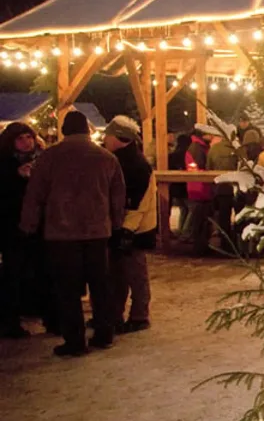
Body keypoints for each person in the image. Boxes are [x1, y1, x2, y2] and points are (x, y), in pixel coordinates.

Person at [19, 110, 125, 357]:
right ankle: (104, 334)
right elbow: (117, 197)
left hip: (61, 232)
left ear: (64, 131)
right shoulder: (107, 158)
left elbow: (34, 195)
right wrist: (116, 224)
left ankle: (75, 341)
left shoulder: (49, 157)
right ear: (88, 131)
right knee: (100, 285)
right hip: (98, 231)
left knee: (67, 289)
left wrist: (28, 226)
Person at [102, 116, 157, 334]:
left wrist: (127, 228)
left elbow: (139, 201)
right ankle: (115, 314)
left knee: (134, 273)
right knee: (118, 273)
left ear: (118, 138)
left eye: (108, 135)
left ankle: (139, 315)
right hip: (126, 226)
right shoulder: (124, 160)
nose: (105, 139)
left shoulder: (134, 164)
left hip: (134, 228)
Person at [0, 122, 40, 338]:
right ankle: (10, 320)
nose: (27, 142)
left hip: (37, 226)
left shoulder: (40, 159)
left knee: (38, 269)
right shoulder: (5, 164)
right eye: (21, 139)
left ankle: (34, 308)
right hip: (11, 228)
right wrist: (18, 178)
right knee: (13, 272)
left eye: (29, 137)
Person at [185, 127, 216, 255]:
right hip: (200, 189)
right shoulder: (197, 149)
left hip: (198, 188)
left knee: (201, 219)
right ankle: (199, 247)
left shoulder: (198, 147)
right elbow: (203, 168)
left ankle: (201, 246)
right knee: (200, 220)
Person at [207, 132, 239, 254]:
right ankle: (236, 243)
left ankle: (225, 245)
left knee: (223, 217)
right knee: (239, 215)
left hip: (219, 188)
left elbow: (208, 167)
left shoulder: (214, 149)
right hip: (234, 186)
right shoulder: (235, 149)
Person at [167, 132, 190, 235]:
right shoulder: (187, 154)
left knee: (183, 208)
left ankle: (181, 229)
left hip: (174, 186)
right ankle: (185, 231)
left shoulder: (172, 155)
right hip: (185, 186)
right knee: (189, 209)